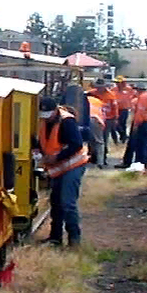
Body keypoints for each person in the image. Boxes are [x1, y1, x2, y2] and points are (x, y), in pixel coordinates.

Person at [37, 96, 88, 246]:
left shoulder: (67, 121)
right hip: (59, 167)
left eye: (48, 115)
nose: (46, 118)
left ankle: (74, 240)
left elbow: (76, 144)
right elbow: (43, 141)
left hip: (73, 165)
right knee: (56, 202)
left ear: (55, 111)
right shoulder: (45, 122)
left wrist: (57, 157)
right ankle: (55, 238)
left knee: (67, 202)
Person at [117, 85, 147, 168]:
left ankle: (139, 163)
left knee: (139, 144)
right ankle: (143, 163)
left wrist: (136, 124)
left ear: (139, 90)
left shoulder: (142, 98)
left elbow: (140, 112)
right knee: (144, 144)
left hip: (142, 123)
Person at [88, 79, 118, 164]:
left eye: (101, 87)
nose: (99, 89)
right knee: (92, 139)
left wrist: (115, 118)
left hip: (108, 119)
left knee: (104, 138)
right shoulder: (92, 93)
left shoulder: (111, 95)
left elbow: (115, 108)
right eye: (98, 87)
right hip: (97, 117)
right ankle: (93, 157)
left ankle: (103, 158)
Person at [113, 76, 136, 142]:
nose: (117, 84)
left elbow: (134, 96)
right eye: (116, 82)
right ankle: (123, 135)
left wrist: (131, 104)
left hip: (124, 109)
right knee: (116, 124)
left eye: (118, 82)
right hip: (116, 109)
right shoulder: (114, 89)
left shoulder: (129, 89)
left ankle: (123, 137)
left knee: (122, 123)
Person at [86, 94, 106, 168]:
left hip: (86, 119)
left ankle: (85, 159)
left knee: (86, 141)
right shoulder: (99, 101)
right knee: (99, 142)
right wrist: (103, 124)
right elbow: (103, 114)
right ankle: (100, 161)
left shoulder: (82, 100)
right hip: (97, 120)